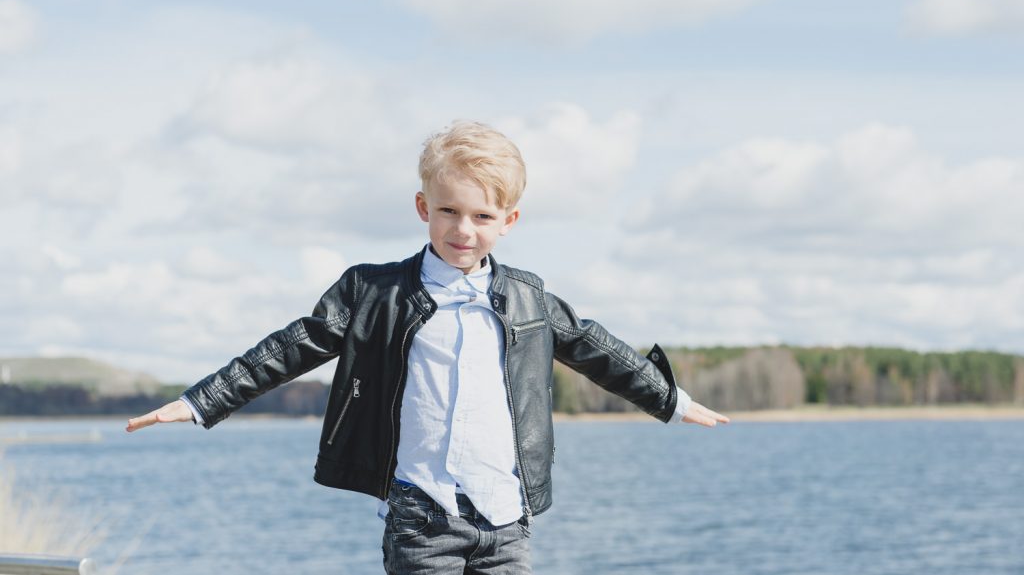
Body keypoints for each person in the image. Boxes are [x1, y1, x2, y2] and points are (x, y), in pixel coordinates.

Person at [126, 121, 729, 574]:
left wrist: (671, 399)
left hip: (506, 519)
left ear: (509, 221)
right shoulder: (374, 291)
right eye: (448, 211)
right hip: (422, 516)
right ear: (423, 208)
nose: (463, 230)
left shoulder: (528, 299)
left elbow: (597, 349)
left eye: (482, 216)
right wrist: (202, 401)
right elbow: (295, 345)